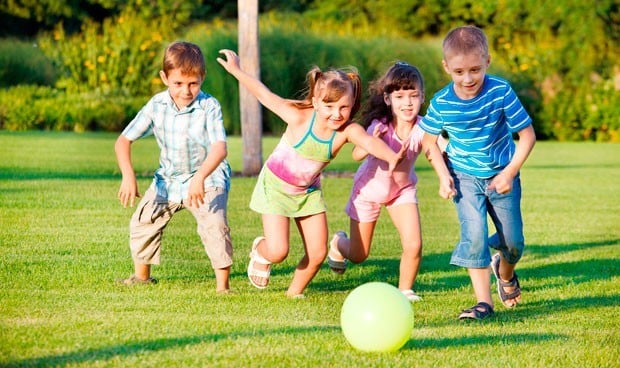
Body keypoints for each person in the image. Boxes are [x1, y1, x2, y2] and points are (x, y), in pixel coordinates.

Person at [216, 49, 404, 298]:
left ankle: (293, 294)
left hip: (307, 193)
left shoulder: (347, 131)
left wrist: (392, 157)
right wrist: (237, 71)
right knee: (278, 250)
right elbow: (264, 94)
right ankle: (261, 251)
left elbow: (368, 143)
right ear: (316, 102)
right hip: (275, 188)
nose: (336, 114)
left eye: (343, 107)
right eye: (329, 106)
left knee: (316, 253)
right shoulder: (298, 117)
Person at [420, 25, 536, 320]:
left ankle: (505, 271)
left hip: (501, 175)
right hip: (464, 177)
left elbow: (527, 135)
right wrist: (444, 175)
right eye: (459, 72)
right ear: (446, 67)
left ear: (488, 61)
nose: (468, 78)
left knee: (514, 242)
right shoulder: (442, 102)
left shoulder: (500, 91)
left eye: (475, 69)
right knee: (474, 235)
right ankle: (484, 302)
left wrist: (509, 173)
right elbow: (428, 141)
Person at [115, 41, 233, 293]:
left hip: (207, 177)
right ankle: (141, 278)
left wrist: (200, 177)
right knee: (144, 220)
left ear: (202, 78)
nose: (186, 91)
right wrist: (128, 175)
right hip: (168, 180)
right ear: (164, 77)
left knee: (214, 225)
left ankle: (223, 288)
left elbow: (220, 148)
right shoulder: (156, 105)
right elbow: (123, 140)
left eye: (193, 83)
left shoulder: (209, 106)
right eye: (178, 83)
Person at [328, 61, 439, 302]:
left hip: (402, 191)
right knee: (359, 254)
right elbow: (357, 154)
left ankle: (405, 290)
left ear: (422, 97)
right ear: (388, 99)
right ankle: (338, 242)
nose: (407, 102)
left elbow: (436, 148)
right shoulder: (380, 126)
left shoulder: (423, 126)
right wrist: (371, 141)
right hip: (368, 192)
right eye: (400, 96)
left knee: (414, 243)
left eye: (413, 96)